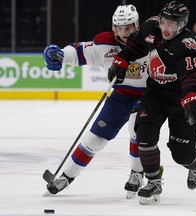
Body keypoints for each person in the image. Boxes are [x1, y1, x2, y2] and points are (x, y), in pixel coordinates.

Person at [108, 1, 196, 205]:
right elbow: (137, 44)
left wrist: (192, 97)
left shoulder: (187, 44)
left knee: (181, 155)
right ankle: (153, 181)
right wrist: (122, 60)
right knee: (144, 134)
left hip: (181, 99)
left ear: (182, 25)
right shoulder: (152, 27)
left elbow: (193, 74)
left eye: (171, 24)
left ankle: (195, 163)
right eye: (163, 22)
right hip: (155, 94)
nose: (165, 28)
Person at [43, 5, 148, 199]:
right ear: (113, 27)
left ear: (137, 25)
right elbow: (78, 52)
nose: (124, 33)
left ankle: (136, 173)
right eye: (119, 27)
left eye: (129, 27)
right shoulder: (103, 43)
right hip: (120, 97)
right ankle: (66, 176)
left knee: (137, 129)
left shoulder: (150, 41)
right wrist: (60, 55)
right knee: (94, 139)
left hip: (148, 96)